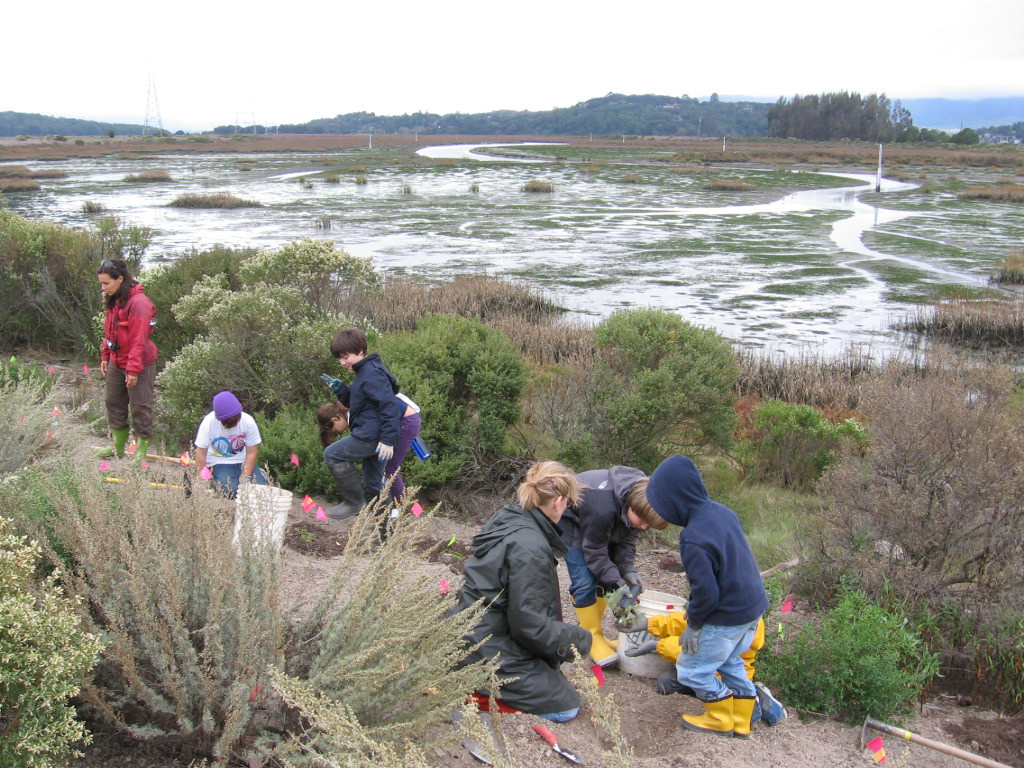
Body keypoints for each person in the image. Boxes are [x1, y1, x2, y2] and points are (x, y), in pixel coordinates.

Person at [630, 454, 770, 738]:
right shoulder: (722, 512)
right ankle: (741, 722)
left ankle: (719, 718)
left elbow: (706, 593)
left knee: (692, 670)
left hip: (726, 617)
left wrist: (693, 625)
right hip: (752, 611)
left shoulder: (693, 537)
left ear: (673, 501)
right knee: (731, 664)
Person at [451, 460, 592, 722]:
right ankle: (479, 696)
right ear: (559, 501)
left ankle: (476, 681)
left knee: (552, 675)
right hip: (485, 645)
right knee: (565, 706)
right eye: (569, 503)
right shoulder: (532, 547)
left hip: (469, 631)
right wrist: (581, 640)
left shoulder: (509, 518)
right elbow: (529, 626)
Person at [557, 466, 668, 667]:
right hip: (570, 520)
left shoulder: (644, 497)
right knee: (584, 580)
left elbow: (626, 540)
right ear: (631, 506)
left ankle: (595, 633)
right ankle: (591, 637)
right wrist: (617, 581)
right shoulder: (602, 507)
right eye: (642, 521)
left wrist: (628, 570)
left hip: (599, 523)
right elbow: (595, 552)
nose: (644, 527)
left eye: (649, 525)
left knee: (603, 579)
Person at [617, 612, 787, 727]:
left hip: (726, 681)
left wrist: (659, 645)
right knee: (666, 683)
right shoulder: (717, 601)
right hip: (704, 676)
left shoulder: (743, 614)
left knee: (748, 718)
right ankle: (710, 700)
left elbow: (707, 653)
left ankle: (762, 698)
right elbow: (686, 623)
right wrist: (649, 623)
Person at [319, 328, 403, 519]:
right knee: (374, 483)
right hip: (374, 434)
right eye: (339, 359)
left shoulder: (372, 373)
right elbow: (361, 405)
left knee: (332, 454)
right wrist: (341, 390)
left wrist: (388, 440)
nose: (342, 362)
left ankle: (354, 503)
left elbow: (389, 407)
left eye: (345, 356)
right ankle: (386, 532)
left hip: (370, 435)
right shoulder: (365, 372)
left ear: (360, 350)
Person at [96, 258, 158, 460]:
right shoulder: (115, 299)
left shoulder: (139, 304)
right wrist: (106, 354)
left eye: (106, 283)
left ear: (120, 279)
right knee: (113, 401)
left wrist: (132, 370)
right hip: (117, 359)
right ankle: (118, 446)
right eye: (101, 284)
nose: (103, 288)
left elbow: (138, 341)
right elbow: (109, 329)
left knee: (140, 406)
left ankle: (141, 451)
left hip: (138, 362)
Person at [316, 390, 422, 507]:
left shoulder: (356, 412)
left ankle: (400, 509)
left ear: (335, 419)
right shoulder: (354, 406)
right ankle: (389, 510)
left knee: (390, 468)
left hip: (405, 422)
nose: (340, 432)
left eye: (336, 431)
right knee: (378, 475)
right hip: (401, 420)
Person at [193, 391, 268, 498]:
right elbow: (200, 453)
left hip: (243, 460)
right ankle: (216, 481)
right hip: (219, 461)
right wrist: (203, 478)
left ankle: (260, 475)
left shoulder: (248, 422)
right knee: (231, 490)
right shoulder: (208, 423)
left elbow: (251, 452)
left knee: (260, 492)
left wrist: (246, 479)